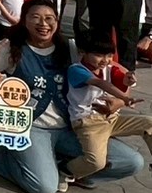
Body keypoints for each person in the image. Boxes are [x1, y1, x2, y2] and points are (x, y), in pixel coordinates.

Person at [0, 0, 146, 193]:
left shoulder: (71, 48)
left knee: (131, 161)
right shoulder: (11, 48)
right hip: (31, 127)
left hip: (73, 127)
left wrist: (120, 101)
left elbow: (119, 73)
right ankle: (0, 157)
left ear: (57, 21)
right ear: (24, 20)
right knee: (45, 188)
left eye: (49, 18)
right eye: (35, 17)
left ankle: (73, 172)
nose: (43, 24)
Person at [64, 35, 152, 184]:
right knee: (96, 162)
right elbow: (100, 83)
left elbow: (121, 79)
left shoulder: (109, 69)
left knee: (149, 123)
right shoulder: (76, 70)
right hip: (89, 124)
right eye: (98, 55)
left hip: (111, 119)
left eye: (109, 55)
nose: (105, 60)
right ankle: (66, 171)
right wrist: (125, 99)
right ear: (83, 52)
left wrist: (128, 80)